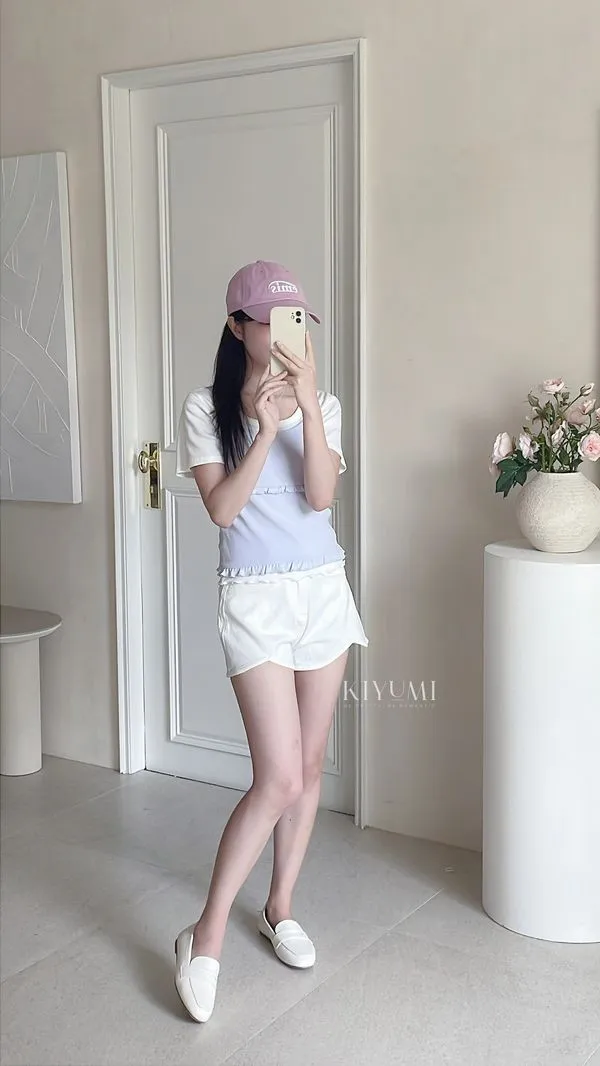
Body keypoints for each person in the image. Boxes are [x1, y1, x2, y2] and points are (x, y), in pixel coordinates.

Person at [172, 260, 369, 1022]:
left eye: (298, 321)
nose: (289, 334)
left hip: (322, 591)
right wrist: (262, 429)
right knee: (277, 777)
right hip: (254, 599)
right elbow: (222, 510)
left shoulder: (326, 404)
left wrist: (308, 411)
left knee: (309, 765)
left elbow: (321, 497)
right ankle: (205, 935)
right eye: (273, 320)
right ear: (237, 326)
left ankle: (279, 906)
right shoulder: (205, 408)